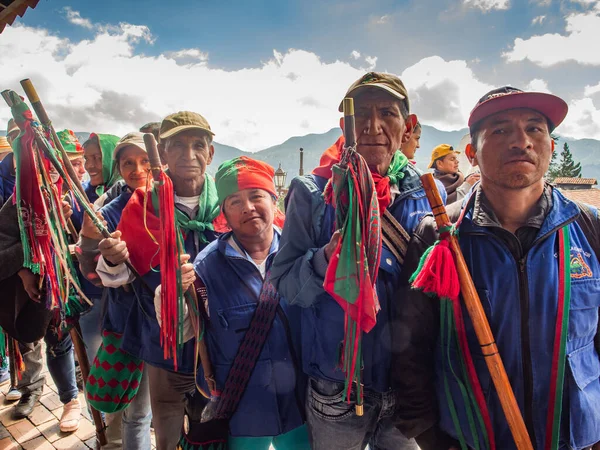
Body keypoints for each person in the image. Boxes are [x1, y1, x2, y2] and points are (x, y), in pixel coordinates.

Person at [392, 86, 600, 450]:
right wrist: (434, 440)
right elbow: (410, 351)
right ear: (471, 153)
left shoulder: (589, 229)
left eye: (535, 129)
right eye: (501, 130)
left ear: (550, 144)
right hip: (472, 440)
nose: (522, 142)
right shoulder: (439, 237)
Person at [271, 72, 443, 450]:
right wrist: (323, 260)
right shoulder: (313, 194)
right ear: (344, 127)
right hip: (337, 389)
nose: (373, 125)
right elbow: (282, 282)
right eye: (360, 114)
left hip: (409, 389)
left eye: (387, 113)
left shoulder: (429, 193)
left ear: (408, 125)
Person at [155, 156, 308, 449]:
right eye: (235, 201)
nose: (248, 207)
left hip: (299, 406)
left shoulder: (300, 254)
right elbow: (180, 333)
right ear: (223, 212)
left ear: (275, 200)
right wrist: (172, 293)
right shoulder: (205, 269)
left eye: (256, 196)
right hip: (241, 412)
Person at [91, 113, 223, 450]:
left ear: (210, 153)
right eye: (177, 145)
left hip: (222, 344)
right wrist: (112, 258)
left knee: (215, 428)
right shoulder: (140, 206)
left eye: (198, 145)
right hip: (164, 345)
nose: (188, 155)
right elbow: (122, 275)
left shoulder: (229, 201)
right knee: (164, 429)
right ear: (162, 155)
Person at [78, 132, 154, 449]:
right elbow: (88, 265)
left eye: (145, 161)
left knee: (164, 409)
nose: (137, 169)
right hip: (130, 323)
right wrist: (107, 259)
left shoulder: (174, 203)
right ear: (119, 167)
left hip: (173, 325)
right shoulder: (107, 213)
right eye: (128, 163)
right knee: (137, 414)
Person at [81, 133, 122, 205]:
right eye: (86, 159)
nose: (88, 166)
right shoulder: (84, 195)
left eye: (97, 158)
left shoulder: (130, 197)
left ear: (115, 161)